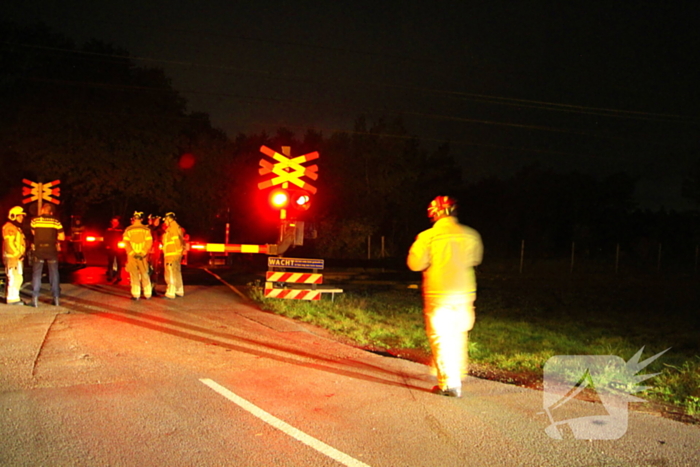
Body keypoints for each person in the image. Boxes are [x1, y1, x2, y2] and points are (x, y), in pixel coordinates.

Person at [407, 196, 483, 398]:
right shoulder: (471, 235)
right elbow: (476, 258)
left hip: (439, 295)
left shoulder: (427, 237)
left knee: (441, 338)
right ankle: (455, 373)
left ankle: (449, 384)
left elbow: (415, 264)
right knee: (458, 336)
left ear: (433, 214)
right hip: (465, 295)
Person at [31, 203, 65, 307]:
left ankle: (35, 299)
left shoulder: (35, 220)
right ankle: (56, 298)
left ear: (42, 210)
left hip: (39, 249)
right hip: (51, 250)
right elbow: (62, 237)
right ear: (51, 211)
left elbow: (33, 233)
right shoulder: (55, 221)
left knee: (37, 273)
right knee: (54, 273)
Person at [122, 212, 153, 300]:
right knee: (144, 273)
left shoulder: (128, 229)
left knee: (134, 274)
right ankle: (147, 293)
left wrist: (132, 252)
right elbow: (149, 242)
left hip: (132, 256)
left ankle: (136, 294)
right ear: (141, 219)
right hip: (142, 256)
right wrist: (143, 252)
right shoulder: (146, 230)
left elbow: (126, 243)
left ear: (133, 219)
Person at [2, 206, 27, 306]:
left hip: (16, 257)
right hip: (12, 257)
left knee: (18, 277)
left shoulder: (15, 228)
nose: (22, 218)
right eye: (20, 216)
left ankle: (15, 297)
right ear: (14, 216)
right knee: (14, 277)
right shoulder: (9, 228)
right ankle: (12, 299)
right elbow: (9, 243)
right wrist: (17, 254)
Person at [162, 212, 185, 299]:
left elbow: (177, 241)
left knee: (170, 272)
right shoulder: (176, 227)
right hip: (175, 254)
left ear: (169, 219)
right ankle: (179, 290)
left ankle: (170, 292)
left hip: (172, 254)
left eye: (165, 220)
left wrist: (178, 251)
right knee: (176, 272)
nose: (165, 222)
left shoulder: (172, 228)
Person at [104, 216, 125, 283]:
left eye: (116, 221)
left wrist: (123, 244)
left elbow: (124, 237)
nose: (114, 223)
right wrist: (107, 245)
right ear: (111, 222)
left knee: (119, 262)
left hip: (119, 247)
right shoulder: (109, 229)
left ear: (118, 222)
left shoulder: (121, 229)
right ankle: (110, 275)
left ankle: (119, 275)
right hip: (111, 247)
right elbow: (106, 237)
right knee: (110, 262)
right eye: (113, 221)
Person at [147, 214, 163, 296]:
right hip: (149, 253)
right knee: (148, 270)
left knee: (155, 271)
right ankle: (146, 288)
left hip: (156, 254)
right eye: (156, 220)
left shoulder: (159, 230)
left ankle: (153, 288)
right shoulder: (149, 229)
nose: (157, 222)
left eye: (158, 221)